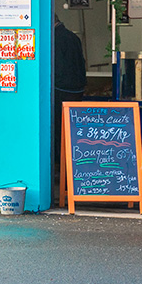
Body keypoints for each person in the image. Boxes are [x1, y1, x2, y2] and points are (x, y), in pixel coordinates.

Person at [52, 12, 87, 193]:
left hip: (61, 90)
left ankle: (60, 167)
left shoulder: (55, 39)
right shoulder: (73, 37)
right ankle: (72, 166)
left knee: (58, 131)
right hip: (77, 91)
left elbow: (56, 68)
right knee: (72, 131)